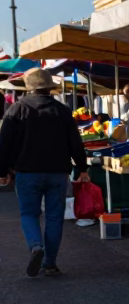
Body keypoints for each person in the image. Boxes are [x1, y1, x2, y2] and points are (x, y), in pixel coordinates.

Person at [0, 68, 90, 277]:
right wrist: (82, 168)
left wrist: (2, 170)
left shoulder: (16, 110)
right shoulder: (62, 110)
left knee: (29, 214)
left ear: (28, 87)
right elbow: (75, 143)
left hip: (27, 172)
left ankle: (35, 246)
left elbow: (4, 144)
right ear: (49, 87)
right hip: (58, 172)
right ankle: (49, 263)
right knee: (54, 217)